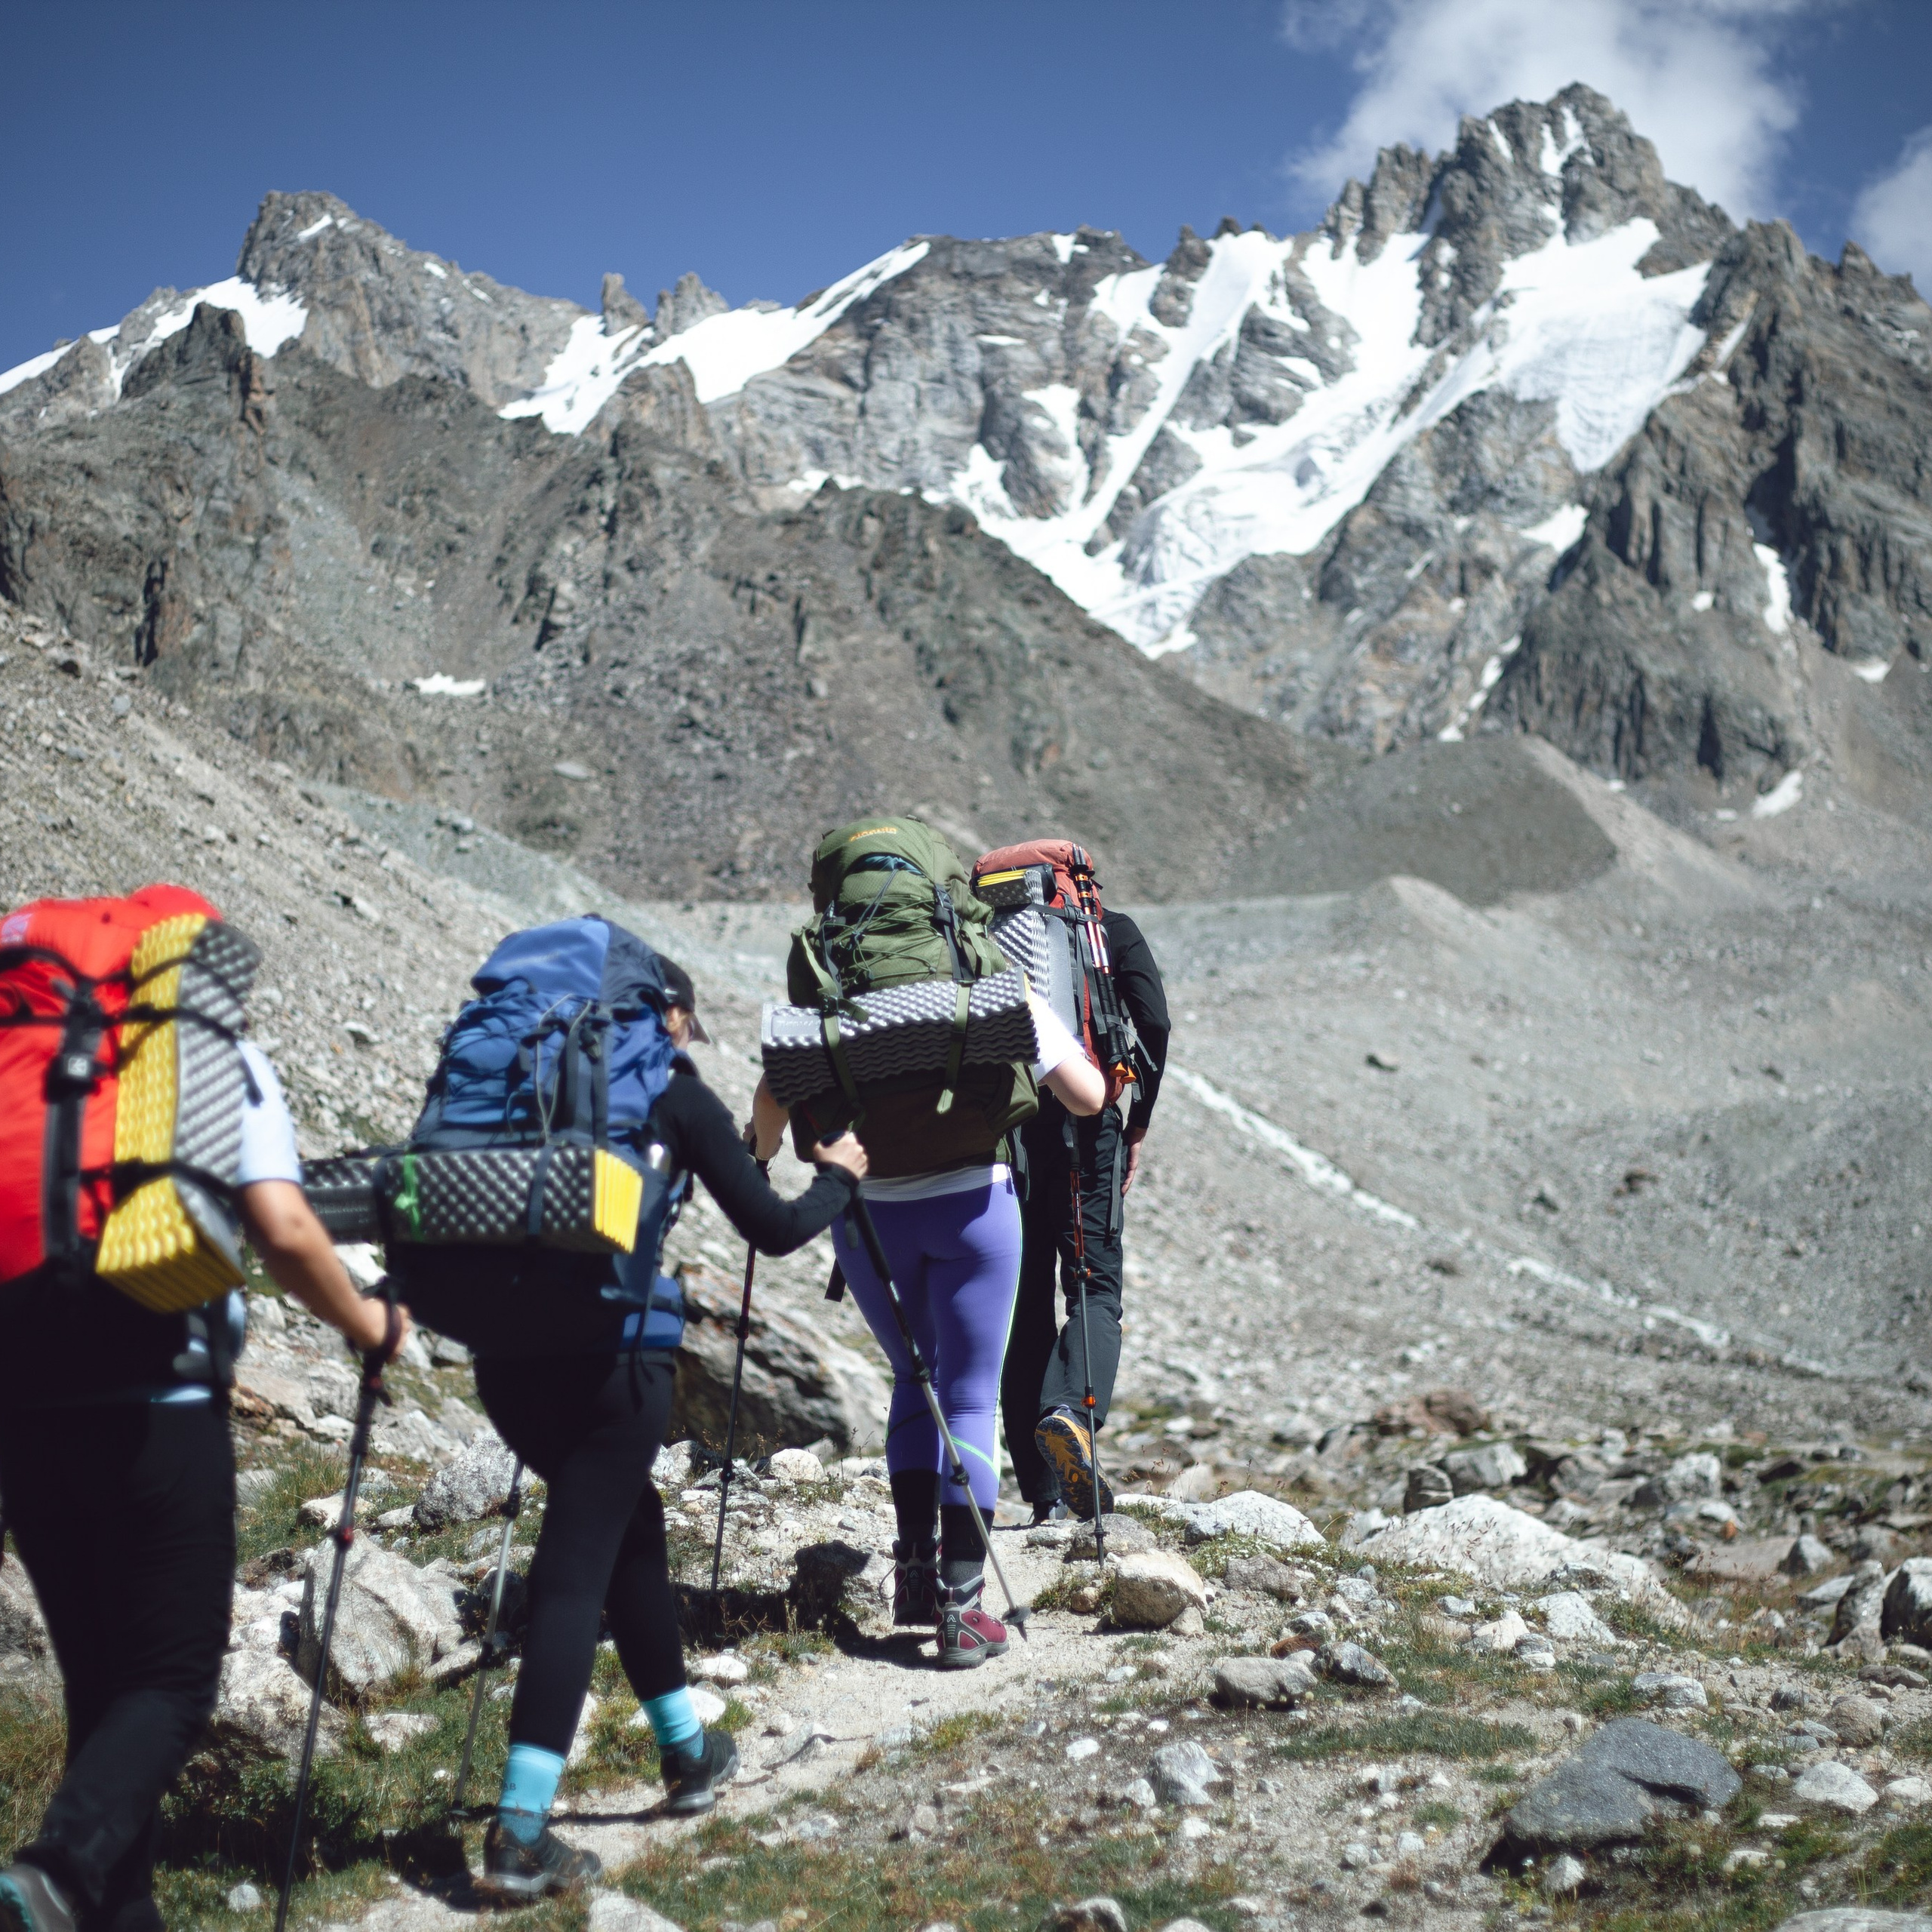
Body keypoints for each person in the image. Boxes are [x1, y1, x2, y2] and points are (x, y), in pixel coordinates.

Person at [390, 957, 867, 1900]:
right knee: (575, 1569)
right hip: (615, 1360)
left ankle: (687, 1752)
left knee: (627, 1529)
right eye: (687, 1021)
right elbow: (769, 1227)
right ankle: (521, 1830)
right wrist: (838, 1180)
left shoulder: (510, 1080)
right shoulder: (668, 1088)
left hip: (506, 1361)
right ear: (669, 1013)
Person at [0, 1037, 411, 1932]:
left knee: (103, 1694)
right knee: (173, 1683)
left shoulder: (20, 1065)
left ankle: (112, 1903)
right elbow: (284, 1226)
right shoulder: (209, 1054)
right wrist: (368, 1321)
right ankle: (49, 1873)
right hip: (160, 1406)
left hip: (25, 1413)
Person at [752, 989, 1104, 1668]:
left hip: (863, 1214)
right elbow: (1087, 1096)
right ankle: (964, 1608)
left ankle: (914, 1575)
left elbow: (772, 1101)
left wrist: (758, 1157)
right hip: (974, 1205)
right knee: (970, 1396)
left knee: (913, 1374)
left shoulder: (833, 989)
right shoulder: (987, 982)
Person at [1000, 902, 1170, 1524]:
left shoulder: (987, 935)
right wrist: (1139, 1124)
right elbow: (1155, 1021)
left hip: (1008, 1132)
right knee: (1094, 1291)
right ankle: (1070, 1410)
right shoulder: (1108, 931)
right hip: (1086, 1128)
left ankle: (1041, 1497)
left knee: (1024, 1307)